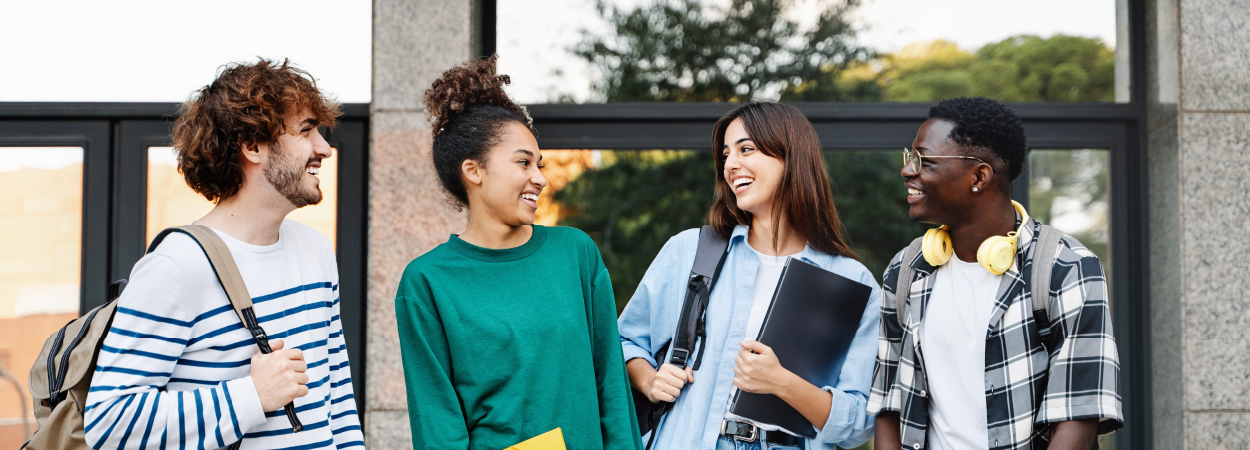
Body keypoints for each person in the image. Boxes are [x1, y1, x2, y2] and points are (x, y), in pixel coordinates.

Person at [83, 59, 363, 449]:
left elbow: (339, 398)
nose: (324, 149)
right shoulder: (177, 266)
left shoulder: (315, 250)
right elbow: (109, 424)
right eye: (306, 131)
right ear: (252, 146)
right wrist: (251, 396)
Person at [392, 56, 641, 450]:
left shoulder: (575, 254)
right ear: (474, 171)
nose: (540, 178)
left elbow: (611, 385)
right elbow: (437, 422)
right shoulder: (426, 282)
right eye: (523, 162)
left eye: (538, 164)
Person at [617, 102, 880, 450]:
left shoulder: (852, 282)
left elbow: (860, 425)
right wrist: (650, 380)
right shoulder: (690, 251)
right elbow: (624, 342)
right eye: (726, 155)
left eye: (746, 149)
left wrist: (780, 381)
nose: (730, 165)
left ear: (791, 157)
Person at [867, 97, 1123, 450]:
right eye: (909, 157)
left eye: (923, 160)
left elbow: (1078, 414)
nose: (907, 170)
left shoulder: (1066, 266)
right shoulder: (905, 270)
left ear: (979, 176)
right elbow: (888, 404)